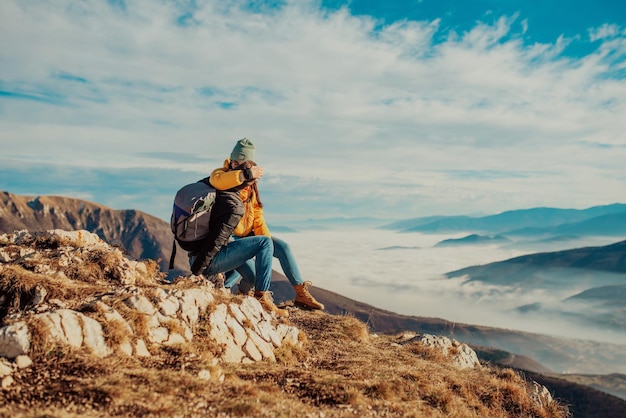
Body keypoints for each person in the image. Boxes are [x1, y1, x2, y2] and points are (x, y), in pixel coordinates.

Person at [209, 138, 325, 310]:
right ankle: (241, 293)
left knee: (282, 247)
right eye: (235, 161)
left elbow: (257, 213)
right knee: (252, 276)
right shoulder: (221, 175)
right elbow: (219, 182)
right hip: (230, 240)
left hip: (248, 234)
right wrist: (245, 174)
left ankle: (301, 294)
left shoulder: (250, 184)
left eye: (242, 162)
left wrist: (266, 242)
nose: (237, 165)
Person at [182, 178, 288, 317]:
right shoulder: (231, 206)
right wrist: (199, 268)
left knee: (252, 278)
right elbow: (218, 239)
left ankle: (241, 298)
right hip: (206, 261)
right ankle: (261, 297)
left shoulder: (217, 196)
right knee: (265, 243)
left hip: (203, 257)